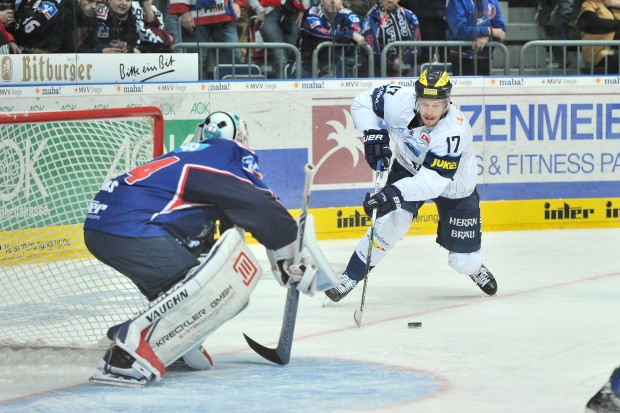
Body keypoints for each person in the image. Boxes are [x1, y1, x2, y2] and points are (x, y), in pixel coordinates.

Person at [84, 112, 331, 385]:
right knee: (223, 287)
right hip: (133, 228)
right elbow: (255, 200)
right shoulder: (227, 152)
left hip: (104, 226)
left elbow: (229, 223)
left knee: (182, 284)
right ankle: (128, 355)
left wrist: (281, 252)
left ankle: (169, 341)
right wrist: (288, 249)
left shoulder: (189, 155)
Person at [324, 69, 498, 303]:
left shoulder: (454, 131)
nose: (429, 111)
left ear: (448, 102)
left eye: (437, 105)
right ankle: (350, 277)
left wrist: (393, 193)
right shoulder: (399, 100)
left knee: (462, 261)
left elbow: (432, 183)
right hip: (408, 166)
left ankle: (474, 269)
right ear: (416, 98)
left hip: (454, 185)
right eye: (424, 103)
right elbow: (361, 102)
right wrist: (372, 133)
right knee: (394, 221)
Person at [170, 0, 241, 78]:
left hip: (225, 13)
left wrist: (236, 2)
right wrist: (183, 11)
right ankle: (195, 89)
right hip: (195, 17)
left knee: (234, 56)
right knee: (196, 63)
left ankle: (232, 89)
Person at [296, 0, 366, 78]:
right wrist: (348, 34)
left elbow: (356, 32)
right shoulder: (312, 12)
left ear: (341, 2)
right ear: (321, 1)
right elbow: (319, 33)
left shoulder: (347, 13)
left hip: (334, 65)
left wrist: (351, 34)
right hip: (305, 63)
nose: (332, 1)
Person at [444, 0, 506, 76]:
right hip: (462, 58)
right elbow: (460, 31)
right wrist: (489, 31)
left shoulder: (491, 1)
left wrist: (487, 38)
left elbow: (501, 31)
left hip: (484, 58)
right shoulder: (456, 2)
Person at [361, 0, 420, 77]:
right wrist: (391, 65)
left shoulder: (409, 15)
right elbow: (370, 47)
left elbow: (417, 42)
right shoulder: (371, 17)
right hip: (378, 72)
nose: (390, 0)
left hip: (406, 69)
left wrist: (403, 60)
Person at [248, 0, 306, 78]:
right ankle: (283, 86)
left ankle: (294, 85)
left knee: (293, 55)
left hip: (293, 12)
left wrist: (304, 9)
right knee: (281, 56)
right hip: (268, 12)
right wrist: (259, 10)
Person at [576, 0, 620, 74]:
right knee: (616, 56)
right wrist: (617, 24)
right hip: (600, 51)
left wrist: (616, 4)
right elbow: (591, 22)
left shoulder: (616, 4)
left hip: (616, 47)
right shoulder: (589, 4)